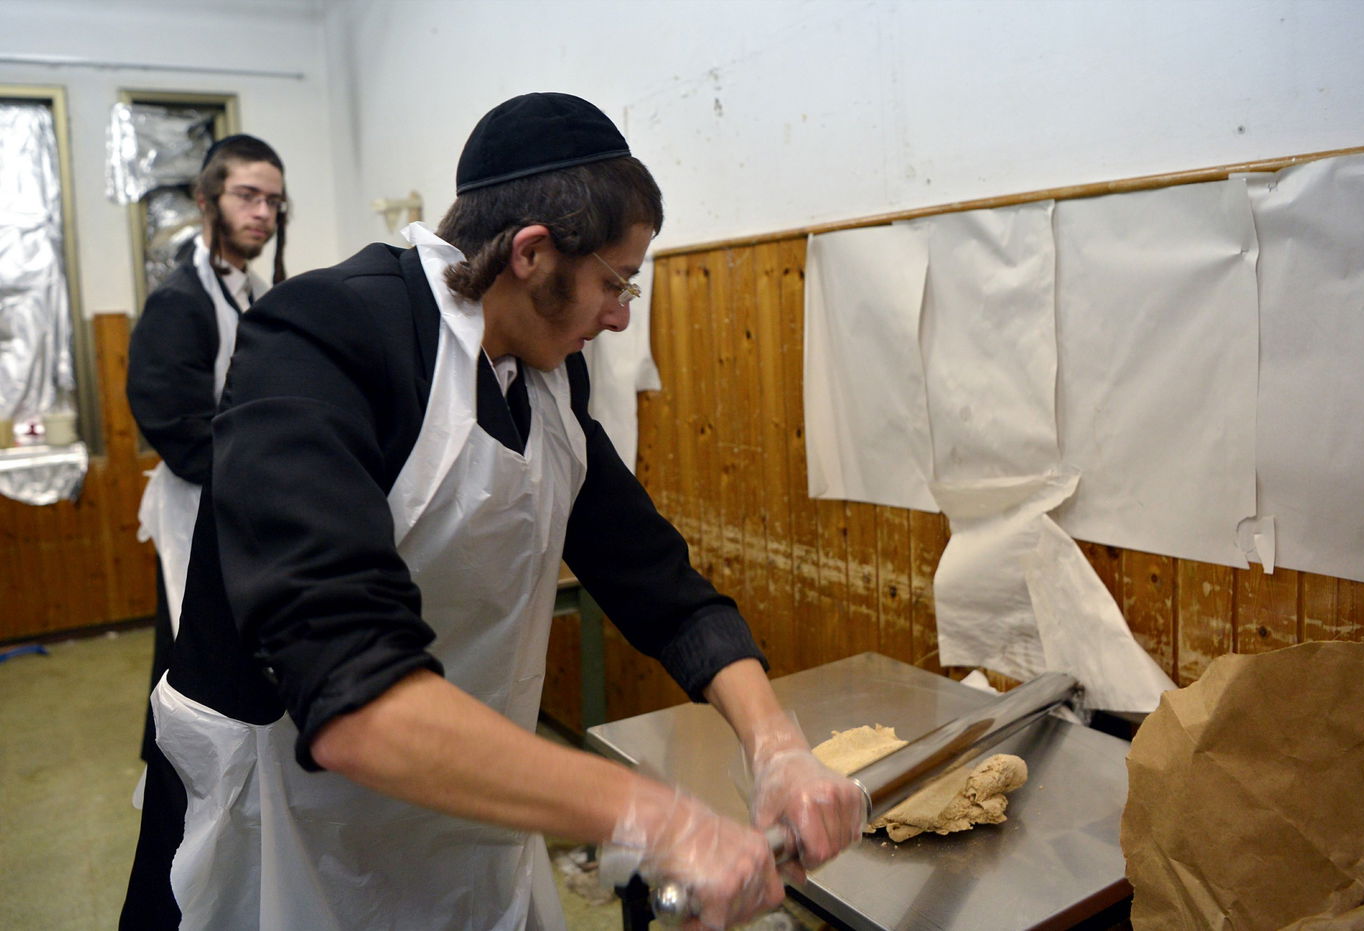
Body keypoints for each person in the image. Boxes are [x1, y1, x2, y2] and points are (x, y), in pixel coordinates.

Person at [120, 93, 864, 931]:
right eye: (615, 283)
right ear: (532, 254)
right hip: (287, 826)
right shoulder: (326, 335)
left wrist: (777, 747)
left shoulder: (548, 379)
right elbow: (351, 695)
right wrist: (659, 816)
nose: (621, 316)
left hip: (462, 803)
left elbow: (657, 579)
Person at [125, 134, 288, 764]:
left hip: (237, 496)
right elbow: (172, 421)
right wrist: (261, 477)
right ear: (205, 201)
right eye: (247, 196)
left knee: (221, 646)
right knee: (191, 651)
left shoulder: (250, 290)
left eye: (273, 201)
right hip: (198, 500)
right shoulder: (179, 302)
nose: (263, 214)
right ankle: (181, 780)